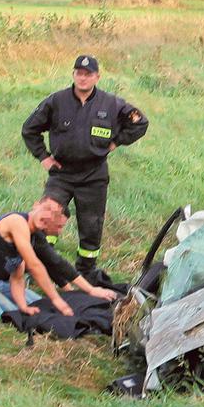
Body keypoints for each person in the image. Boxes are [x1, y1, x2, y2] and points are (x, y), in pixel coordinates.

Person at [22, 54, 149, 280]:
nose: (83, 78)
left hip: (94, 175)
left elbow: (140, 123)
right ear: (73, 75)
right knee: (47, 218)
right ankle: (40, 266)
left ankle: (86, 272)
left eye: (88, 74)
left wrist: (116, 141)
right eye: (79, 73)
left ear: (97, 77)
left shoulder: (111, 104)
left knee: (91, 226)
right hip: (61, 173)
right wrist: (44, 157)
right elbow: (29, 129)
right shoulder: (56, 101)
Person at [0, 198, 117, 325]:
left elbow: (20, 277)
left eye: (59, 226)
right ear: (37, 205)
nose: (57, 228)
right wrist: (57, 299)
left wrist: (23, 307)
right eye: (46, 211)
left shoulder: (34, 238)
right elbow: (34, 265)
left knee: (27, 308)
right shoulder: (16, 222)